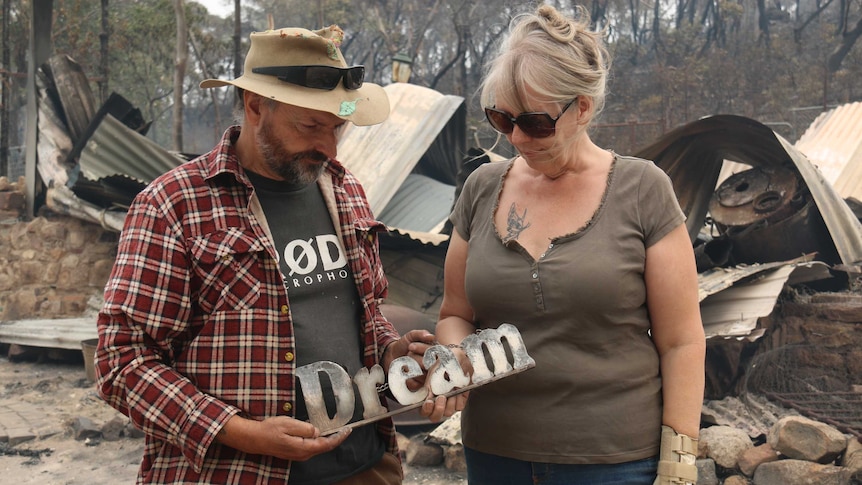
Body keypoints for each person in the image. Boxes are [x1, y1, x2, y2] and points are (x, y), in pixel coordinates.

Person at [95, 25, 461, 484]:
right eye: (310, 126)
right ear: (254, 107)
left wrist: (390, 351)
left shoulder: (344, 190)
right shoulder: (173, 205)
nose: (328, 147)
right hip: (237, 472)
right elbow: (122, 361)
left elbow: (362, 313)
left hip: (364, 466)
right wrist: (240, 431)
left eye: (337, 128)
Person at [435, 5, 706, 485]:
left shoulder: (642, 189)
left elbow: (682, 340)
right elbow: (455, 312)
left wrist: (679, 462)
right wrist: (454, 357)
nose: (517, 137)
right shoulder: (481, 188)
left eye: (536, 122)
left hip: (617, 462)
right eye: (501, 118)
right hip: (495, 454)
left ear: (581, 107)